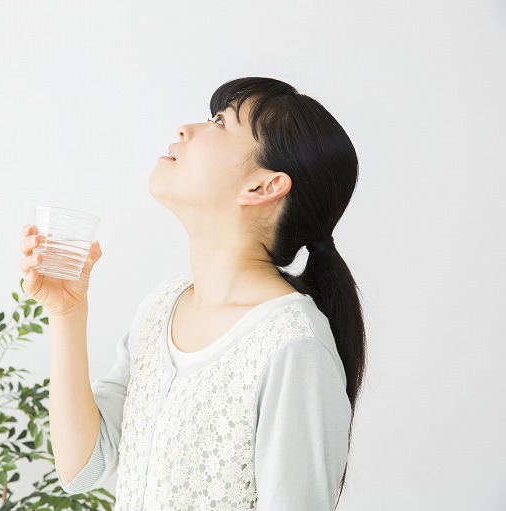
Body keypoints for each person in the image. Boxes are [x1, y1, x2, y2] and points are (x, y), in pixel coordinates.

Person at [19, 76, 366, 510]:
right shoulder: (163, 307)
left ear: (263, 186)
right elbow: (83, 466)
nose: (185, 129)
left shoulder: (294, 345)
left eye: (221, 123)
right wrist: (67, 313)